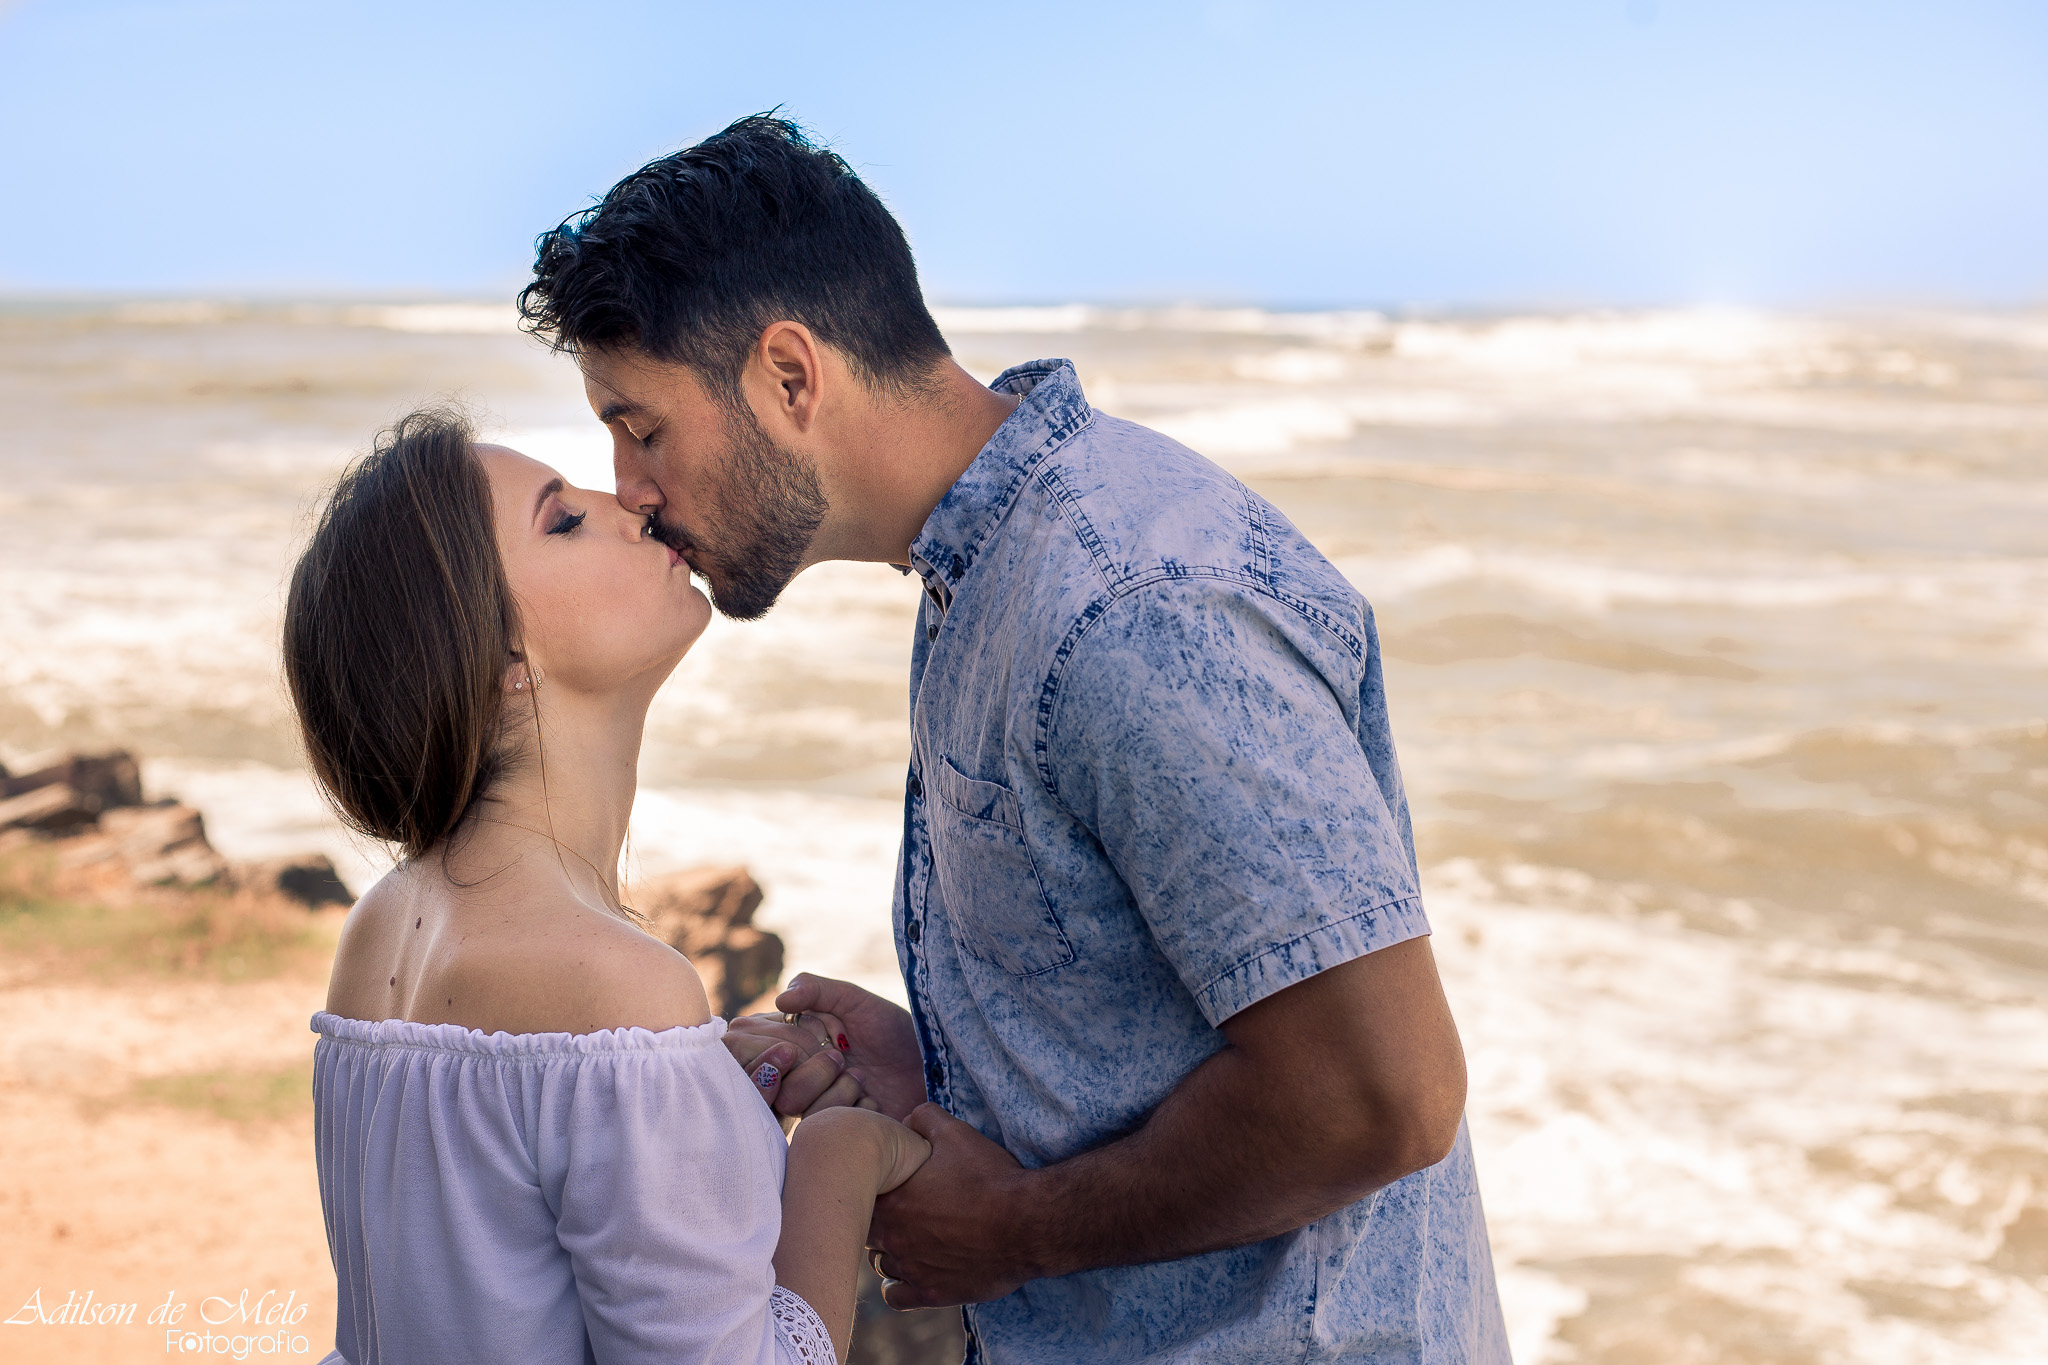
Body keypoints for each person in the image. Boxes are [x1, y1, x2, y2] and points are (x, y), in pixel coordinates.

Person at [519, 114, 1512, 1363]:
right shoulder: (986, 567)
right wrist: (950, 1068)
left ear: (789, 377)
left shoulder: (1127, 606)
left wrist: (1014, 1231)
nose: (628, 489)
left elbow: (1383, 1097)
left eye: (641, 427)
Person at [284, 410, 926, 1365]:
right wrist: (843, 1150)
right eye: (564, 520)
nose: (630, 504)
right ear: (502, 659)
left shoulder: (381, 928)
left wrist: (706, 1093)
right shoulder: (613, 984)